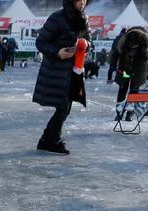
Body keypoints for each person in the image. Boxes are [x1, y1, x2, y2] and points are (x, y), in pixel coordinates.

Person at [33, 0, 89, 155]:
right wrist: (57, 52)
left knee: (65, 108)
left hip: (75, 71)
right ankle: (51, 140)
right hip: (56, 71)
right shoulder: (57, 18)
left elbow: (88, 40)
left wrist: (86, 46)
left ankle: (47, 140)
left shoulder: (83, 18)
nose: (82, 2)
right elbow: (41, 42)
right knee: (63, 107)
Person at [110, 27, 148, 121]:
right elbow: (114, 55)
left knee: (134, 91)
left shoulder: (143, 48)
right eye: (131, 45)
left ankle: (130, 113)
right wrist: (113, 66)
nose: (132, 47)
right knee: (122, 89)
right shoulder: (123, 44)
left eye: (135, 45)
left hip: (137, 72)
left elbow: (145, 60)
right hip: (125, 71)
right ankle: (119, 112)